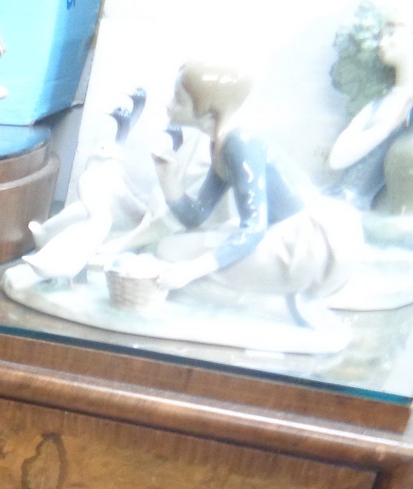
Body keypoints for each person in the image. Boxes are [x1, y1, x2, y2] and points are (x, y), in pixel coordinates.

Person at [147, 62, 361, 323]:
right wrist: (168, 179)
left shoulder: (240, 142)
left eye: (179, 100)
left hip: (305, 244)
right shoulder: (221, 143)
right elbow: (195, 216)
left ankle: (272, 306)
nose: (169, 105)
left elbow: (253, 228)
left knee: (177, 257)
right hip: (276, 229)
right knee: (171, 247)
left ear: (207, 109)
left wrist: (191, 271)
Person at [329, 10, 413, 213]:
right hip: (342, 202)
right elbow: (336, 159)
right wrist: (388, 127)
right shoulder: (377, 104)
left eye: (391, 34)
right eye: (380, 37)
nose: (381, 43)